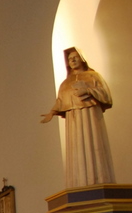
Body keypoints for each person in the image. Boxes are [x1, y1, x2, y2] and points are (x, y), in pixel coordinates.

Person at [41, 48, 115, 188]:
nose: (73, 60)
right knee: (76, 151)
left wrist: (87, 90)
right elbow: (61, 100)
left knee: (94, 145)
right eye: (70, 59)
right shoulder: (65, 83)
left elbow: (105, 94)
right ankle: (78, 183)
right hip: (73, 119)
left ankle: (98, 179)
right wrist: (52, 112)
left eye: (75, 57)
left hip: (90, 115)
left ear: (82, 58)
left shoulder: (93, 76)